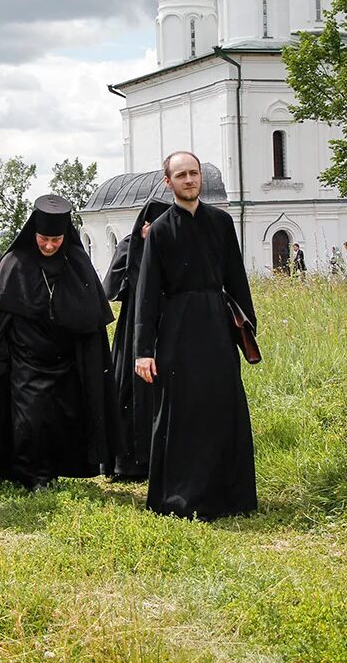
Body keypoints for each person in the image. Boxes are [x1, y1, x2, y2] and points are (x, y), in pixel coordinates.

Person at [134, 151, 257, 520]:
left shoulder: (221, 222)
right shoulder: (159, 231)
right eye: (181, 175)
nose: (189, 180)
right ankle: (180, 497)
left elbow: (236, 278)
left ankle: (229, 497)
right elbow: (146, 293)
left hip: (217, 328)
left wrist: (246, 327)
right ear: (167, 181)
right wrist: (143, 350)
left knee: (221, 406)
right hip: (176, 329)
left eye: (194, 173)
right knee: (181, 411)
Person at [0, 195, 113, 489]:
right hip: (25, 360)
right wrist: (0, 353)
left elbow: (91, 318)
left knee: (60, 420)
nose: (48, 246)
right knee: (27, 421)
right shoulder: (15, 262)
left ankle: (52, 470)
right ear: (34, 234)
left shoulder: (77, 262)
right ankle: (29, 474)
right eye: (44, 238)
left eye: (55, 240)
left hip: (65, 360)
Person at [102, 198, 170, 480]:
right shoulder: (130, 245)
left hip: (166, 327)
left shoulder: (174, 245)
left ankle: (160, 458)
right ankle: (128, 463)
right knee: (130, 393)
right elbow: (111, 288)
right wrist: (140, 249)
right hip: (133, 329)